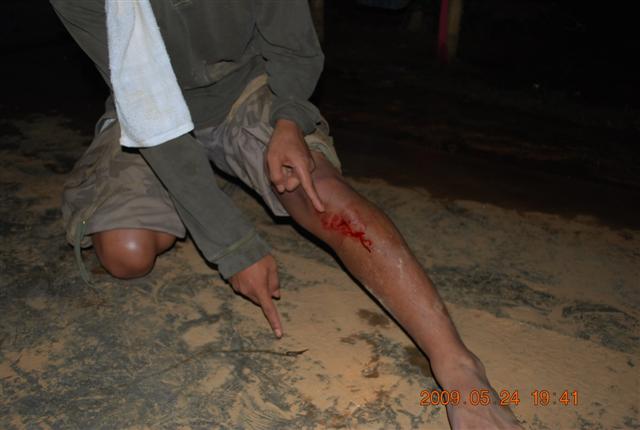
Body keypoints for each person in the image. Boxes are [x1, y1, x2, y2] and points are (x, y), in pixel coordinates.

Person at [51, 1, 522, 428]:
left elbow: (293, 47)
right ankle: (201, 184)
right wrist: (233, 245)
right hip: (145, 108)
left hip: (243, 90)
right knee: (127, 253)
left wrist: (289, 120)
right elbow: (147, 105)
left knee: (318, 192)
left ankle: (460, 367)